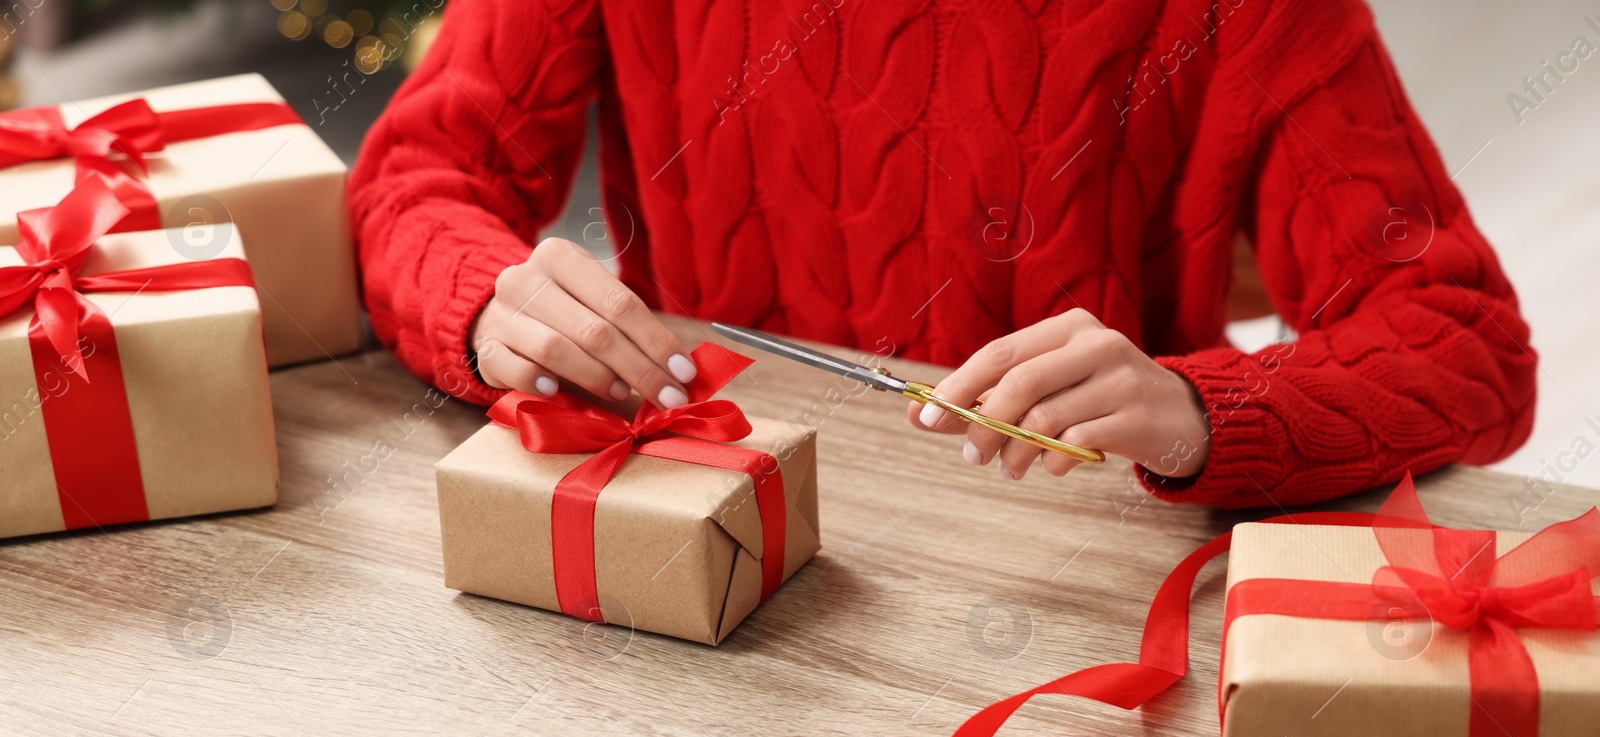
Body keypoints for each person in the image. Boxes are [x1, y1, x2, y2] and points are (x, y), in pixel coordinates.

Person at [349, 0, 1534, 509]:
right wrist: (483, 304)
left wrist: (1193, 411)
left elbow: (1465, 338)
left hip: (1083, 580)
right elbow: (414, 177)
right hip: (707, 522)